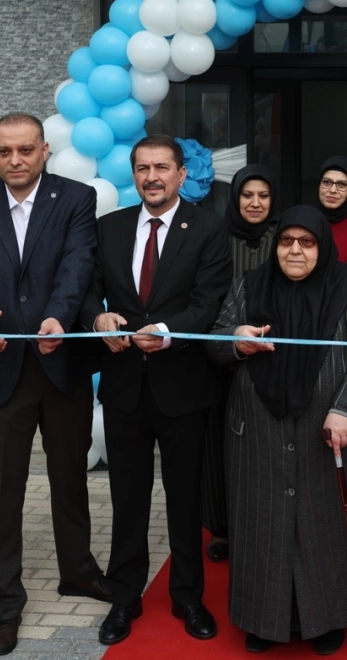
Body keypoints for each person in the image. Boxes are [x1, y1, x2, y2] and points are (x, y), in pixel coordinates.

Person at [0, 113, 104, 657]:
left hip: (61, 366)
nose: (15, 160)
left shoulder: (76, 198)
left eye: (26, 150)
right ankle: (6, 603)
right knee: (3, 491)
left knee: (70, 480)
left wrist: (58, 315)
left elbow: (78, 265)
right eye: (4, 151)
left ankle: (78, 572)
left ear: (44, 151)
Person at [207, 206, 347, 655]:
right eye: (287, 241)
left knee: (323, 524)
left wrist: (345, 408)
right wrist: (236, 341)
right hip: (258, 432)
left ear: (322, 247)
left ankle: (328, 618)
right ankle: (263, 619)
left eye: (306, 243)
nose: (295, 250)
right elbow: (216, 341)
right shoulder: (249, 285)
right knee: (262, 523)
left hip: (329, 428)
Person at [82, 134, 230, 644]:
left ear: (181, 174)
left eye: (162, 167)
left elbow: (209, 303)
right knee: (127, 499)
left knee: (184, 499)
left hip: (184, 385)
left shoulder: (209, 229)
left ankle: (188, 597)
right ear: (134, 174)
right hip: (124, 386)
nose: (152, 177)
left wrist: (166, 333)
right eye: (143, 168)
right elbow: (87, 291)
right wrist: (98, 318)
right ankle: (125, 596)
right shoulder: (110, 227)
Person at [206, 164, 280, 563]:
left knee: (264, 451)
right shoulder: (216, 235)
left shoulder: (282, 238)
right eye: (247, 195)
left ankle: (264, 525)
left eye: (263, 196)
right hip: (219, 362)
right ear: (234, 199)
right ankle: (223, 528)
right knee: (221, 449)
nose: (255, 203)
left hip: (271, 358)